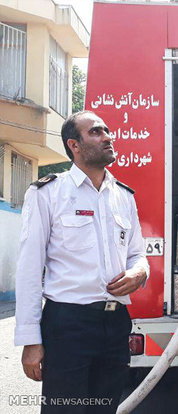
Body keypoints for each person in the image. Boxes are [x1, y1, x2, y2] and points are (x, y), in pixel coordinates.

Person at [14, 110, 149, 413]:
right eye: (96, 132)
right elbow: (29, 269)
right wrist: (30, 341)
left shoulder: (123, 196)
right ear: (74, 145)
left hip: (115, 324)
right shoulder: (48, 193)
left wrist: (140, 271)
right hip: (68, 325)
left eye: (107, 131)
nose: (107, 137)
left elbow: (138, 253)